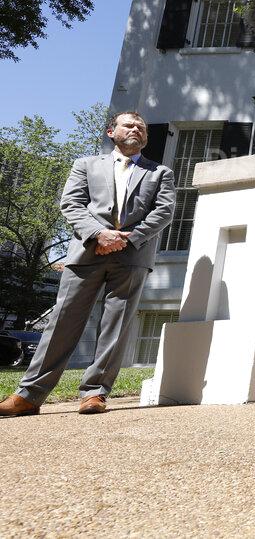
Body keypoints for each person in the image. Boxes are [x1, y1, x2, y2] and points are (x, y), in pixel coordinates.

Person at [0, 112, 175, 417]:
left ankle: (95, 393)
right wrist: (99, 234)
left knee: (115, 326)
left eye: (141, 128)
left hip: (132, 256)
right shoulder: (85, 165)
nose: (136, 130)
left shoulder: (159, 173)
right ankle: (29, 395)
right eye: (128, 125)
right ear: (111, 132)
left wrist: (129, 239)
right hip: (86, 253)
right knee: (62, 324)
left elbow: (164, 211)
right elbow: (72, 203)